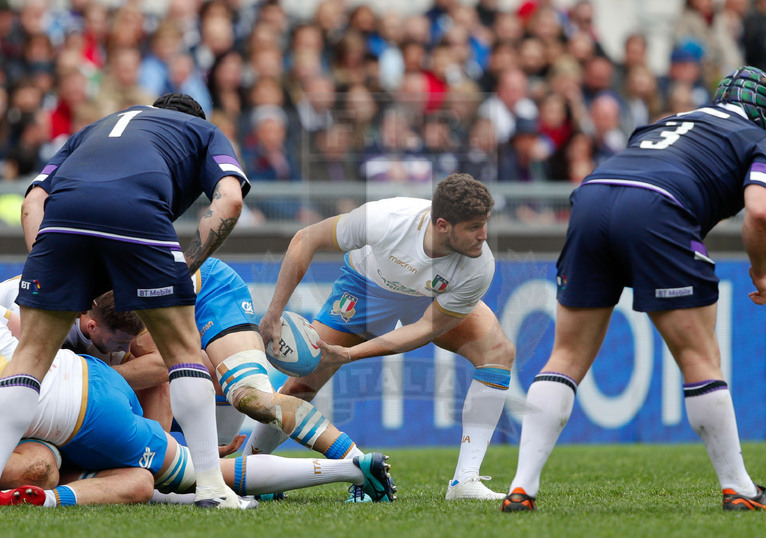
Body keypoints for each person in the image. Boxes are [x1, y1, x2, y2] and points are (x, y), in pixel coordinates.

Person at [501, 66, 766, 512]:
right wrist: (761, 270)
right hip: (658, 206)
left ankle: (521, 488)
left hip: (592, 197)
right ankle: (739, 488)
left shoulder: (670, 120)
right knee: (700, 357)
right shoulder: (757, 140)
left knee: (566, 357)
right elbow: (760, 212)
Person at [0, 92, 251, 509]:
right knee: (185, 354)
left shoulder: (94, 127)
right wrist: (183, 268)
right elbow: (231, 199)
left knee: (29, 359)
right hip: (137, 213)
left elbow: (33, 201)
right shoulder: (204, 131)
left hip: (61, 222)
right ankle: (211, 489)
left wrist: (49, 270)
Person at [257, 173, 516, 500]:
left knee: (498, 352)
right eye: (473, 227)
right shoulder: (386, 218)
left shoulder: (480, 266)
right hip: (366, 288)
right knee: (301, 379)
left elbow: (424, 330)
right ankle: (253, 470)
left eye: (485, 223)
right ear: (441, 225)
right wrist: (274, 313)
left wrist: (350, 354)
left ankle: (465, 481)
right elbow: (305, 238)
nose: (484, 235)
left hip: (426, 300)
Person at [0, 310, 396, 506]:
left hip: (88, 411)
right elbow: (20, 326)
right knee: (139, 479)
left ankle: (349, 467)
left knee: (198, 470)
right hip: (89, 378)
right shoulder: (14, 306)